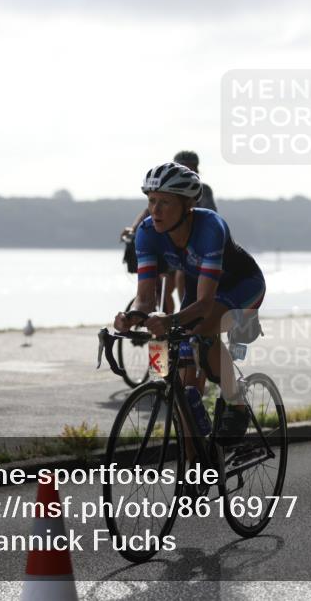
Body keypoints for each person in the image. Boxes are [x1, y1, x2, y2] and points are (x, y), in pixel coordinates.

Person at [114, 162, 263, 445]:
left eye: (165, 202)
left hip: (242, 286)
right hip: (200, 289)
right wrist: (131, 316)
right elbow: (145, 298)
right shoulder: (147, 232)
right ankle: (197, 466)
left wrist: (170, 320)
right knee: (184, 390)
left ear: (187, 206)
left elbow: (205, 305)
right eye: (151, 201)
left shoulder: (210, 227)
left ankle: (237, 404)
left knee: (203, 330)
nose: (155, 210)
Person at [120, 151, 217, 313]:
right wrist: (134, 228)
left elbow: (210, 213)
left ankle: (185, 315)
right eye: (181, 167)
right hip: (170, 243)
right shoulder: (166, 187)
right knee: (163, 283)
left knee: (181, 276)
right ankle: (166, 319)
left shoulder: (202, 190)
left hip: (193, 245)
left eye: (191, 168)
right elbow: (148, 212)